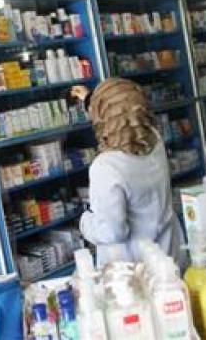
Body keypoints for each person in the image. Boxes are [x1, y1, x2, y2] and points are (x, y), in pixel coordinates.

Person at [70, 78, 183, 266]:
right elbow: (125, 111)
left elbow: (112, 232)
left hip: (133, 269)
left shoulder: (106, 167)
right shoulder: (155, 140)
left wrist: (85, 222)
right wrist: (90, 99)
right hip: (167, 253)